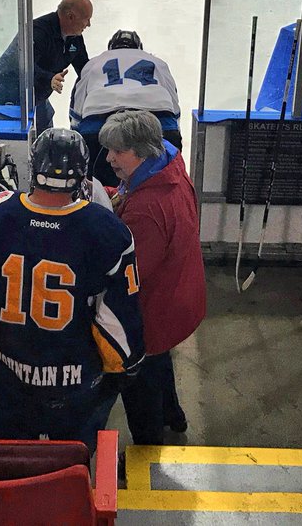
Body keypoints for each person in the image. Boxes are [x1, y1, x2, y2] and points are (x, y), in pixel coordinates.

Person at [0, 128, 144, 450]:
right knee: (71, 465)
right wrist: (121, 369)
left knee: (8, 462)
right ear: (82, 175)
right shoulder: (107, 230)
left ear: (34, 167)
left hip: (9, 372)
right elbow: (117, 323)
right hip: (75, 381)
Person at [99, 111, 205, 445]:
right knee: (159, 361)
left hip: (153, 309)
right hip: (180, 293)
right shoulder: (169, 166)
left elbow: (128, 274)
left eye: (118, 151)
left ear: (142, 151)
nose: (109, 158)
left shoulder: (147, 208)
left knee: (137, 378)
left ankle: (149, 446)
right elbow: (128, 191)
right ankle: (173, 417)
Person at [70, 29, 182, 187]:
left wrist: (81, 142)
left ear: (111, 48)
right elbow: (174, 107)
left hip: (99, 122)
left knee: (97, 189)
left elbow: (76, 110)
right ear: (139, 47)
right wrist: (173, 136)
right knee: (167, 182)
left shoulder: (93, 63)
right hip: (158, 118)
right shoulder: (157, 62)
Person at [0, 0, 93, 133]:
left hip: (37, 91)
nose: (89, 24)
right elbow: (23, 65)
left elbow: (84, 69)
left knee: (45, 129)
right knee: (24, 133)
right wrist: (50, 78)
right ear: (71, 17)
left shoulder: (75, 38)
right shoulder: (37, 31)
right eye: (87, 19)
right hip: (8, 89)